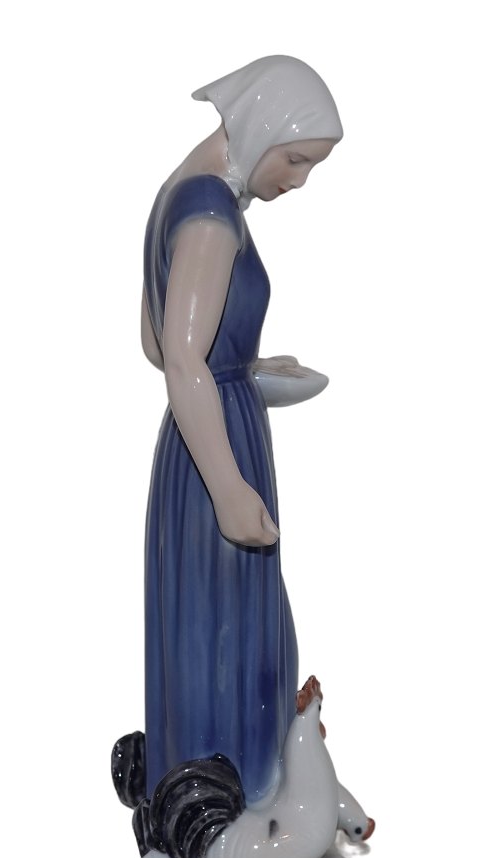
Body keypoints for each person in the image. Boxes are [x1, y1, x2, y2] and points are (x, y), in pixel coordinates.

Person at [140, 56, 342, 806]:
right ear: (262, 129)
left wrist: (247, 370)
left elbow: (157, 343)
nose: (299, 180)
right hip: (213, 452)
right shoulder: (208, 213)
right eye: (296, 159)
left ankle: (230, 806)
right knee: (234, 636)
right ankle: (234, 812)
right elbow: (180, 358)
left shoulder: (180, 196)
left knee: (225, 627)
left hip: (209, 430)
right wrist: (227, 488)